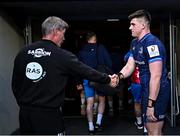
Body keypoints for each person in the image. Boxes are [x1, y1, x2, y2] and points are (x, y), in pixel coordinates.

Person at [11, 16, 119, 135]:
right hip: (50, 116)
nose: (64, 37)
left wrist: (24, 103)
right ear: (56, 31)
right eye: (63, 33)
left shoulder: (23, 52)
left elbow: (15, 84)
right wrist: (108, 79)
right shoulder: (62, 55)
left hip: (25, 115)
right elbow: (86, 71)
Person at [117, 10, 170, 135]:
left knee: (153, 130)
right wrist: (118, 76)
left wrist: (151, 104)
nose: (130, 27)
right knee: (150, 127)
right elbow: (130, 65)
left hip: (158, 91)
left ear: (143, 25)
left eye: (133, 24)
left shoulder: (152, 43)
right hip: (146, 88)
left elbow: (156, 76)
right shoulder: (134, 43)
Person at [78, 31, 112, 134]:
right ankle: (98, 123)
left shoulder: (82, 51)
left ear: (87, 39)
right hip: (100, 78)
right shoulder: (101, 48)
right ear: (95, 38)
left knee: (90, 103)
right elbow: (109, 62)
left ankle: (91, 127)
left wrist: (78, 82)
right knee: (102, 100)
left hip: (87, 78)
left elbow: (78, 68)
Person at [124, 52, 148, 134]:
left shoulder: (131, 53)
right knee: (147, 103)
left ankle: (140, 123)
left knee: (137, 103)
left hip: (136, 82)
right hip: (146, 82)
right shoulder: (147, 49)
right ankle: (146, 127)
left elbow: (126, 60)